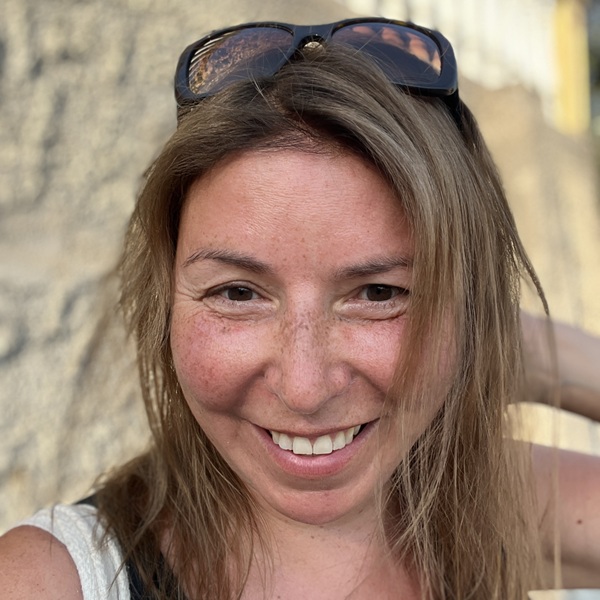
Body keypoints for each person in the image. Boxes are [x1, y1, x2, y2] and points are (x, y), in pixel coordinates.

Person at [0, 18, 599, 600]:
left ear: (469, 308)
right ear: (165, 301)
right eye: (237, 293)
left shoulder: (478, 504)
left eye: (379, 293)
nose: (305, 391)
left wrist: (535, 353)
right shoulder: (49, 581)